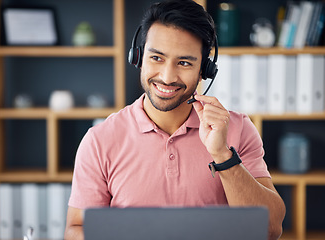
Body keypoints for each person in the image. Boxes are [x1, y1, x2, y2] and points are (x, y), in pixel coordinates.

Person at [64, 1, 286, 239]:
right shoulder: (100, 140)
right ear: (137, 57)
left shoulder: (239, 129)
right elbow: (76, 229)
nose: (167, 77)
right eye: (157, 58)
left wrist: (222, 155)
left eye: (184, 63)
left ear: (205, 70)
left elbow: (270, 229)